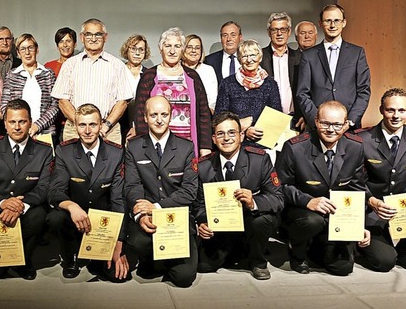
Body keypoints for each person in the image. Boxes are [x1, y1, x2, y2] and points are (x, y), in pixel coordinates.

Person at [276, 100, 370, 276]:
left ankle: (316, 245)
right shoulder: (295, 147)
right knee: (313, 221)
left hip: (337, 215)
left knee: (343, 268)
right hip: (302, 212)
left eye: (337, 124)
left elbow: (357, 189)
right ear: (316, 122)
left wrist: (358, 224)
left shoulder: (355, 146)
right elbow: (281, 186)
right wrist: (308, 201)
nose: (331, 129)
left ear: (345, 125)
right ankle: (297, 252)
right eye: (325, 123)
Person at [193, 112, 284, 280]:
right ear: (213, 138)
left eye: (232, 133)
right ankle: (236, 253)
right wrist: (202, 222)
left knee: (262, 221)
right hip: (221, 227)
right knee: (204, 266)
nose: (226, 138)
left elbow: (277, 198)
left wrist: (253, 202)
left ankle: (258, 261)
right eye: (220, 133)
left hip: (251, 222)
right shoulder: (204, 166)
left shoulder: (259, 160)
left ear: (241, 136)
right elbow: (198, 204)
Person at [47, 104, 130, 282]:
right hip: (74, 219)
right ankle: (70, 256)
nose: (87, 131)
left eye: (92, 125)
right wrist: (72, 206)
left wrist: (118, 243)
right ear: (75, 127)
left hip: (103, 222)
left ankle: (97, 255)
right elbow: (55, 191)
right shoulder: (64, 151)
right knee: (55, 217)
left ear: (101, 125)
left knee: (117, 276)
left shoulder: (116, 153)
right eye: (82, 125)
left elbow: (118, 200)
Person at [0, 99, 53, 280]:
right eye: (12, 122)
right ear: (5, 124)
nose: (17, 127)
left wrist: (20, 206)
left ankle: (23, 261)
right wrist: (2, 203)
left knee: (39, 215)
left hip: (26, 212)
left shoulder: (44, 151)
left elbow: (44, 187)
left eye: (22, 121)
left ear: (30, 122)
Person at [125, 96, 198, 288]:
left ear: (171, 116)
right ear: (145, 117)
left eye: (164, 114)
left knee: (184, 278)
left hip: (177, 216)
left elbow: (190, 191)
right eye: (154, 114)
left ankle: (169, 259)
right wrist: (141, 214)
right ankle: (151, 259)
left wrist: (156, 207)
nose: (159, 120)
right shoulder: (133, 147)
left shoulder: (186, 147)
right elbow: (132, 186)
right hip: (146, 216)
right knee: (139, 244)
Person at [356, 88, 406, 273]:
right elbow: (353, 180)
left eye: (401, 111)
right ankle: (358, 246)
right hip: (371, 210)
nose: (396, 116)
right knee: (384, 263)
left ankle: (404, 253)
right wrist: (371, 201)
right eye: (390, 110)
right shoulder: (362, 139)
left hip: (403, 208)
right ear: (381, 110)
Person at [51, 18, 132, 145]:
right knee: (74, 165)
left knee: (110, 165)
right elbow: (62, 100)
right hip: (74, 129)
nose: (93, 39)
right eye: (88, 34)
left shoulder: (117, 65)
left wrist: (105, 126)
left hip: (108, 130)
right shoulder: (70, 64)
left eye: (98, 34)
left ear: (105, 37)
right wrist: (81, 125)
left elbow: (122, 101)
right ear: (82, 37)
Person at [133, 27, 212, 156]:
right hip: (157, 148)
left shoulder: (193, 77)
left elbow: (204, 115)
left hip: (188, 147)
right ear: (160, 48)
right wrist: (145, 147)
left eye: (177, 46)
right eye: (168, 46)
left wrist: (205, 147)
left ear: (182, 49)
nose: (172, 51)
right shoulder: (149, 77)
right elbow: (140, 114)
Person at [296, 4, 371, 130]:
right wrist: (316, 120)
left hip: (349, 127)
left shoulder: (357, 53)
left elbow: (364, 90)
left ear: (344, 23)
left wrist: (351, 120)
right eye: (328, 21)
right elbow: (302, 93)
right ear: (320, 23)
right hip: (317, 128)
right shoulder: (309, 56)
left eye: (337, 20)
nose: (332, 25)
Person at [215, 39, 282, 147]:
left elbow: (277, 116)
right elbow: (219, 117)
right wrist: (244, 131)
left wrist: (251, 119)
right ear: (239, 60)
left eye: (253, 55)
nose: (249, 60)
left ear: (260, 58)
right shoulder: (227, 83)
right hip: (234, 144)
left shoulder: (270, 84)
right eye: (244, 56)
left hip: (263, 143)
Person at [0, 34, 59, 137]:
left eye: (30, 48)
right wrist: (20, 126)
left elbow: (55, 105)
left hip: (45, 133)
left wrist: (37, 126)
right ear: (18, 53)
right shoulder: (12, 75)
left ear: (37, 50)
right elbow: (5, 106)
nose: (27, 53)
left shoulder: (48, 73)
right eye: (23, 49)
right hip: (18, 133)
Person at [260, 12, 304, 131]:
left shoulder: (300, 58)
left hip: (296, 120)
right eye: (275, 30)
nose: (279, 34)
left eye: (283, 29)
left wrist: (305, 115)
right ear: (269, 33)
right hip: (267, 120)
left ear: (289, 32)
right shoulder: (259, 57)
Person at [119, 34, 150, 141]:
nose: (137, 53)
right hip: (120, 122)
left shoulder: (149, 74)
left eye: (141, 50)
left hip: (142, 124)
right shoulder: (119, 71)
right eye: (133, 49)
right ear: (127, 50)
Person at [182, 34, 218, 114]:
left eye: (197, 48)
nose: (193, 50)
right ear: (183, 49)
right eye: (189, 47)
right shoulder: (176, 68)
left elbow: (213, 99)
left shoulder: (208, 70)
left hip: (203, 114)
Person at [204, 21, 243, 85]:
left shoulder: (248, 59)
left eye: (233, 35)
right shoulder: (209, 61)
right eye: (225, 35)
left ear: (240, 37)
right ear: (221, 38)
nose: (229, 39)